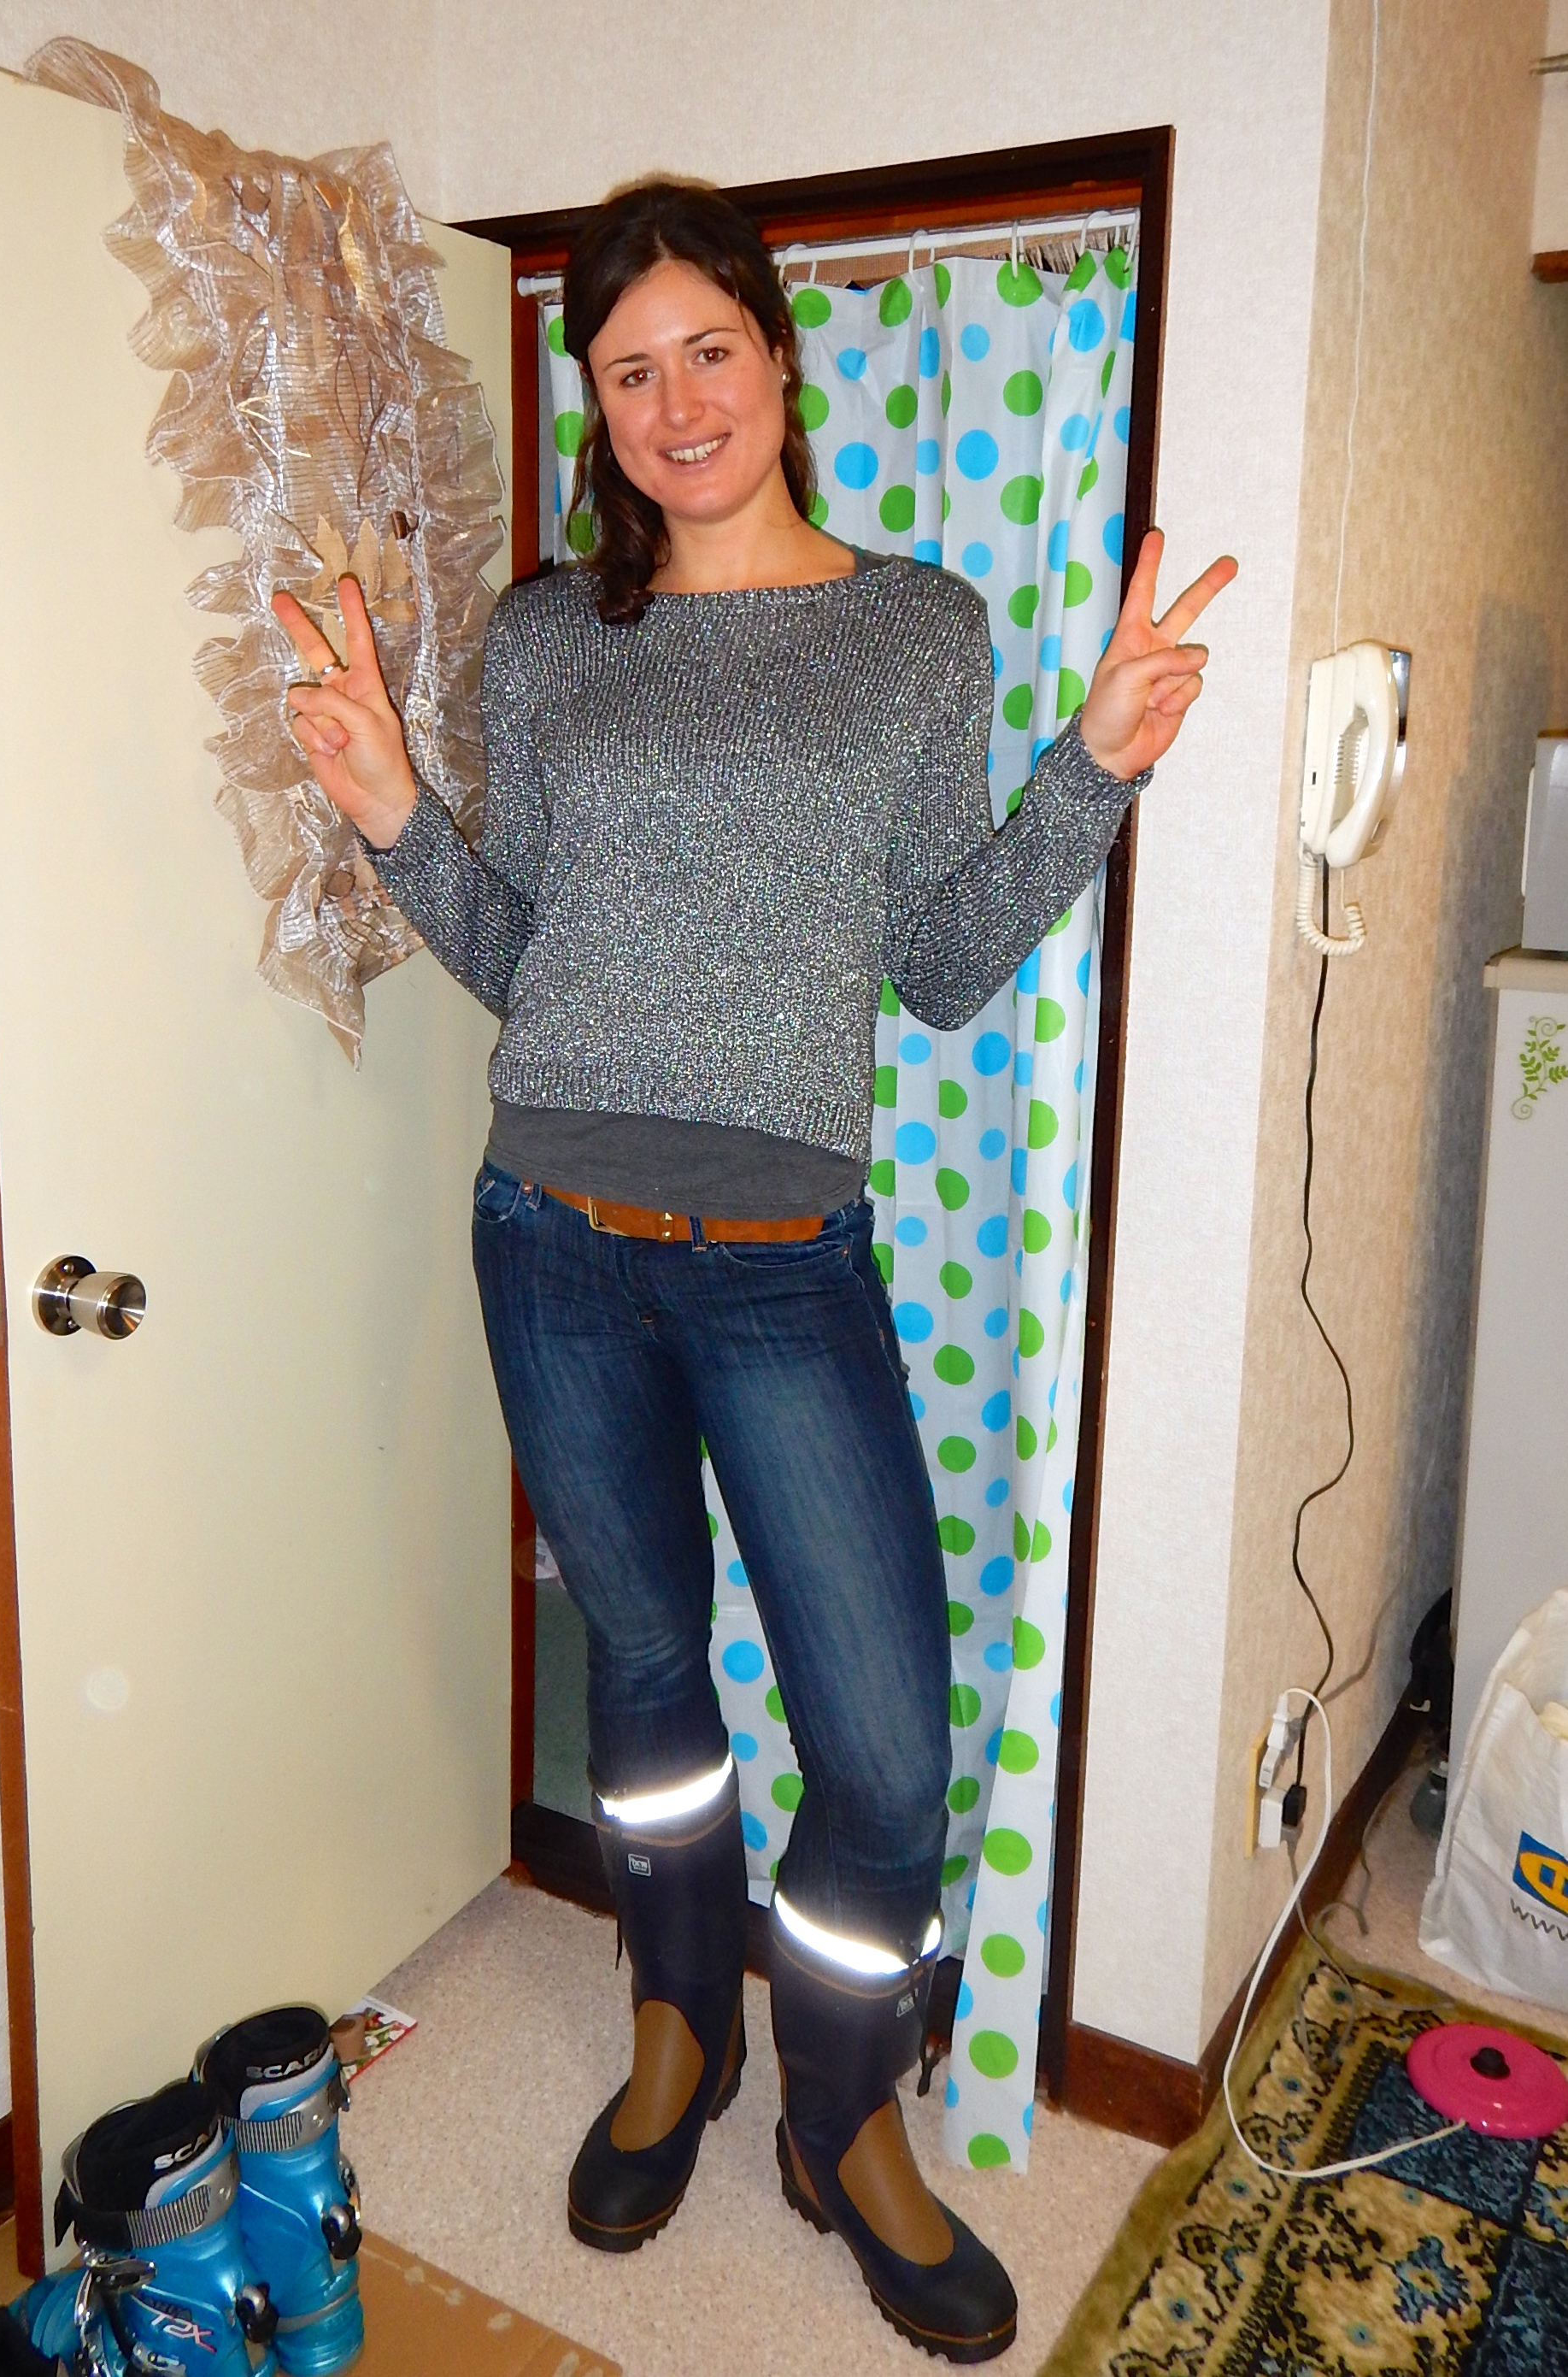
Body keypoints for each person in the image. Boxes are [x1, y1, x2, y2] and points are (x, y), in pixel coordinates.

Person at [275, 178, 1235, 2367]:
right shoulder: (547, 638)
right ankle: (673, 2017)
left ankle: (838, 2107)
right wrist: (395, 810)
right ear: (597, 408)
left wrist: (1095, 766)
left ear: (781, 364)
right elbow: (529, 957)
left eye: (706, 348)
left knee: (884, 1751)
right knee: (641, 1666)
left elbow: (941, 960)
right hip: (551, 1236)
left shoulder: (917, 629)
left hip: (786, 1261)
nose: (673, 400)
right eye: (627, 371)